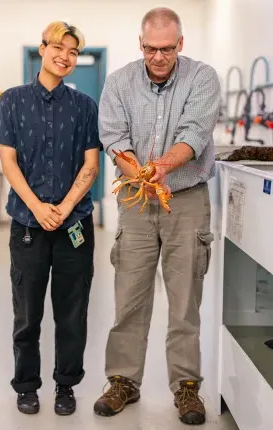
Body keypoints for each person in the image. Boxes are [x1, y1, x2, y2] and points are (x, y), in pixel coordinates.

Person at [94, 7, 220, 426]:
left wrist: (163, 167)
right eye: (151, 48)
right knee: (130, 294)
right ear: (141, 44)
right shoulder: (118, 82)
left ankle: (186, 388)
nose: (159, 57)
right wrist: (145, 178)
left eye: (167, 49)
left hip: (186, 200)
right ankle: (123, 382)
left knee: (185, 298)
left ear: (180, 44)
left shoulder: (201, 78)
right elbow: (114, 137)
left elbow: (195, 133)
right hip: (135, 198)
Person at [0, 21, 100, 416]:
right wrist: (36, 207)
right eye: (58, 47)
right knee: (27, 312)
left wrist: (65, 208)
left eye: (73, 52)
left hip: (74, 226)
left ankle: (65, 386)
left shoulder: (85, 106)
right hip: (28, 227)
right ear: (42, 48)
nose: (65, 57)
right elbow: (8, 161)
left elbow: (90, 165)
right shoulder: (12, 102)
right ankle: (26, 385)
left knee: (72, 313)